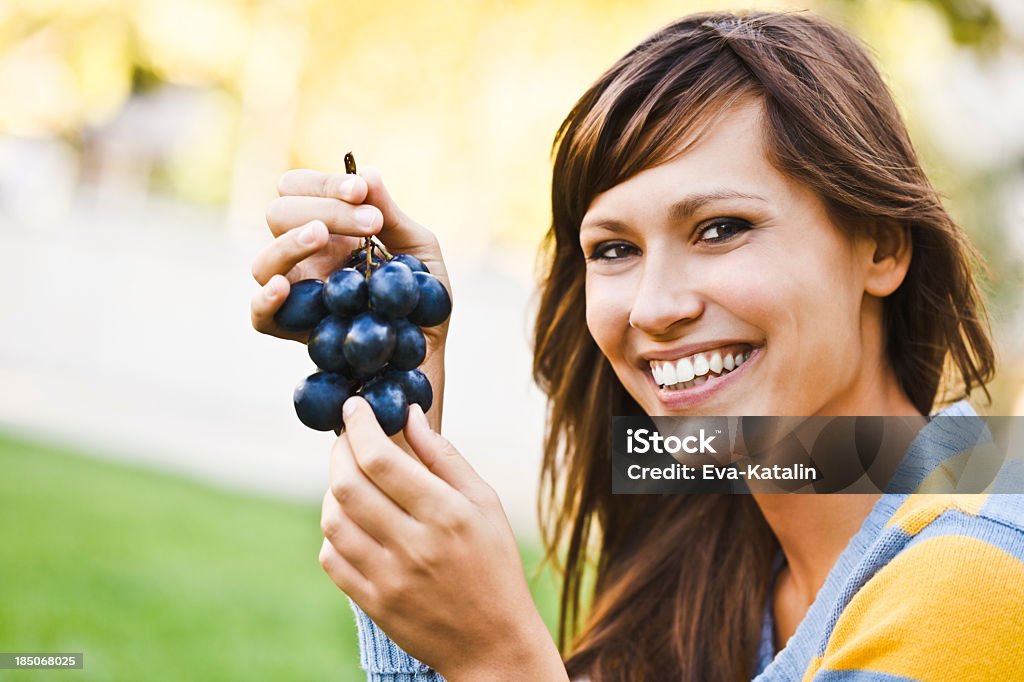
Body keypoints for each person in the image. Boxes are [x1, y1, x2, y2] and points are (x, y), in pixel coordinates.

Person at [250, 10, 1024, 681]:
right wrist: (396, 382)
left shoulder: (976, 572)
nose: (653, 308)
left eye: (721, 229)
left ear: (882, 248)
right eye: (614, 248)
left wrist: (500, 660)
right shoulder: (719, 546)